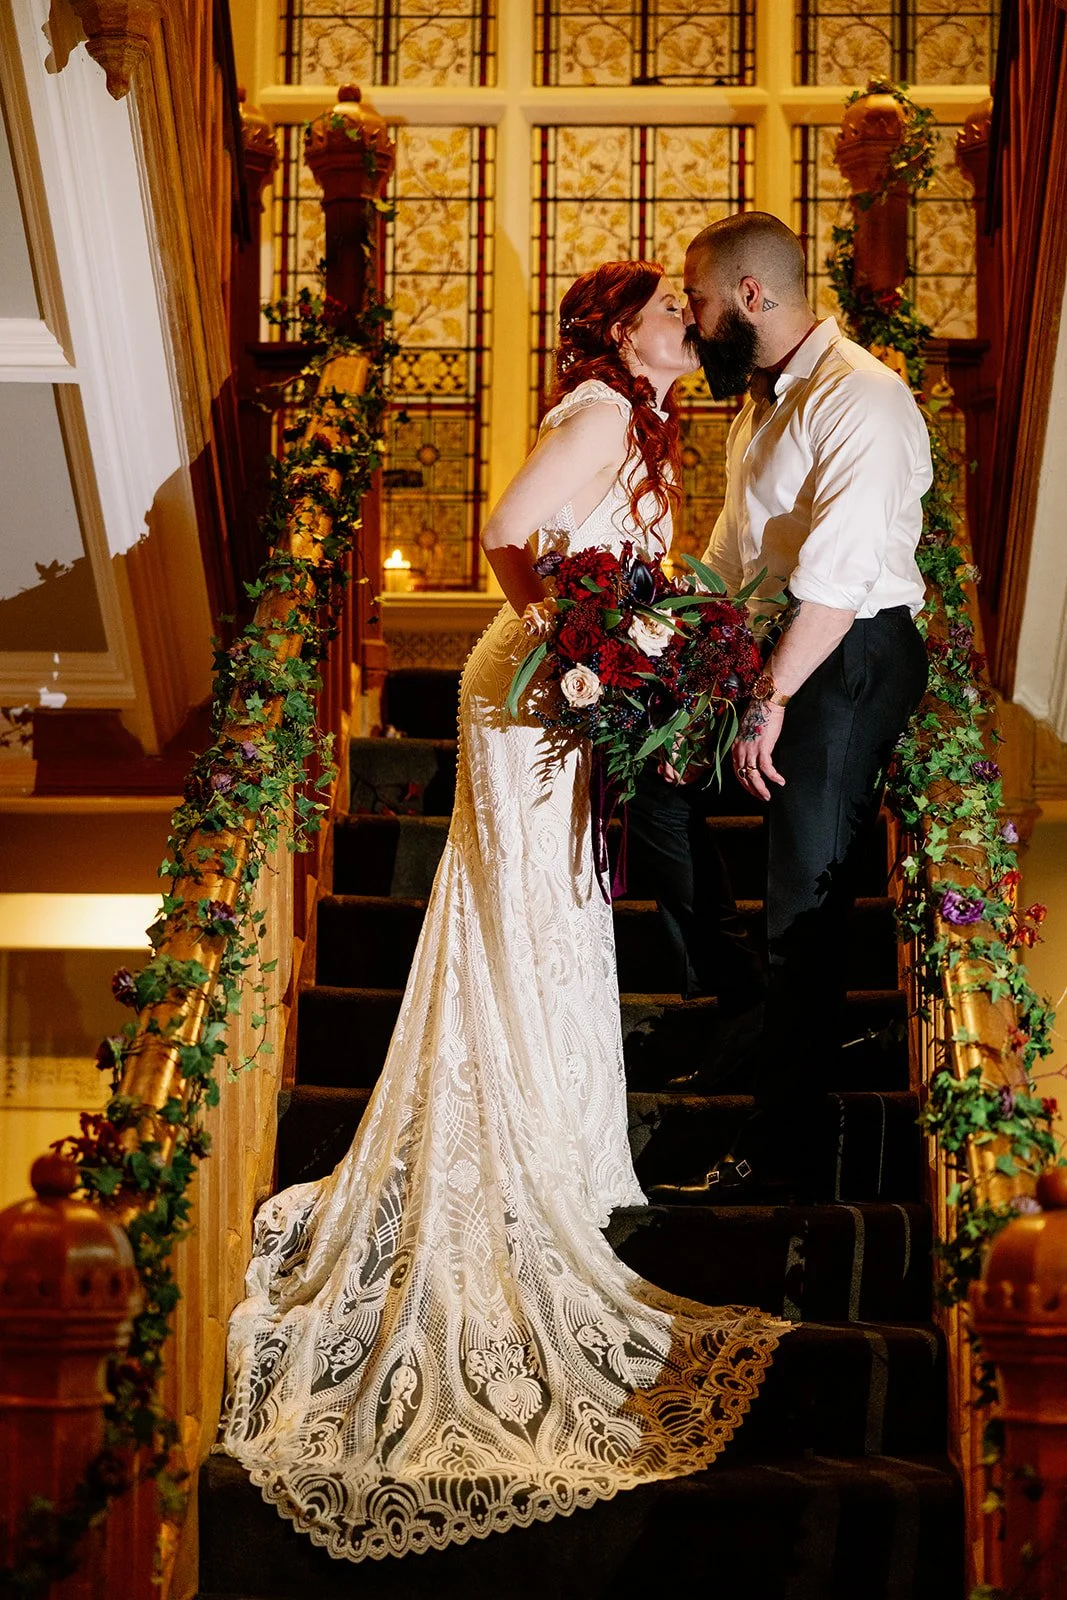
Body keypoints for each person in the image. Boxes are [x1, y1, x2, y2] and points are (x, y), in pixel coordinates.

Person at [221, 261, 787, 1565]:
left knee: (561, 912)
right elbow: (504, 529)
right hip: (529, 688)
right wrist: (572, 647)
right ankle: (514, 1155)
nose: (683, 330)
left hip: (559, 684)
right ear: (617, 331)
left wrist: (642, 648)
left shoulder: (637, 422)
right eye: (665, 314)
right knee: (525, 912)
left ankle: (561, 1146)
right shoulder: (595, 408)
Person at [636, 213, 931, 1203]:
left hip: (845, 660)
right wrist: (680, 666)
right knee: (657, 787)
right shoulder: (758, 401)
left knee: (802, 896)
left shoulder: (864, 399)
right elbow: (731, 549)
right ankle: (748, 1015)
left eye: (701, 299)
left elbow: (838, 582)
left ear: (751, 298)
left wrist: (767, 698)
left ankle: (780, 1151)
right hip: (774, 645)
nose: (691, 316)